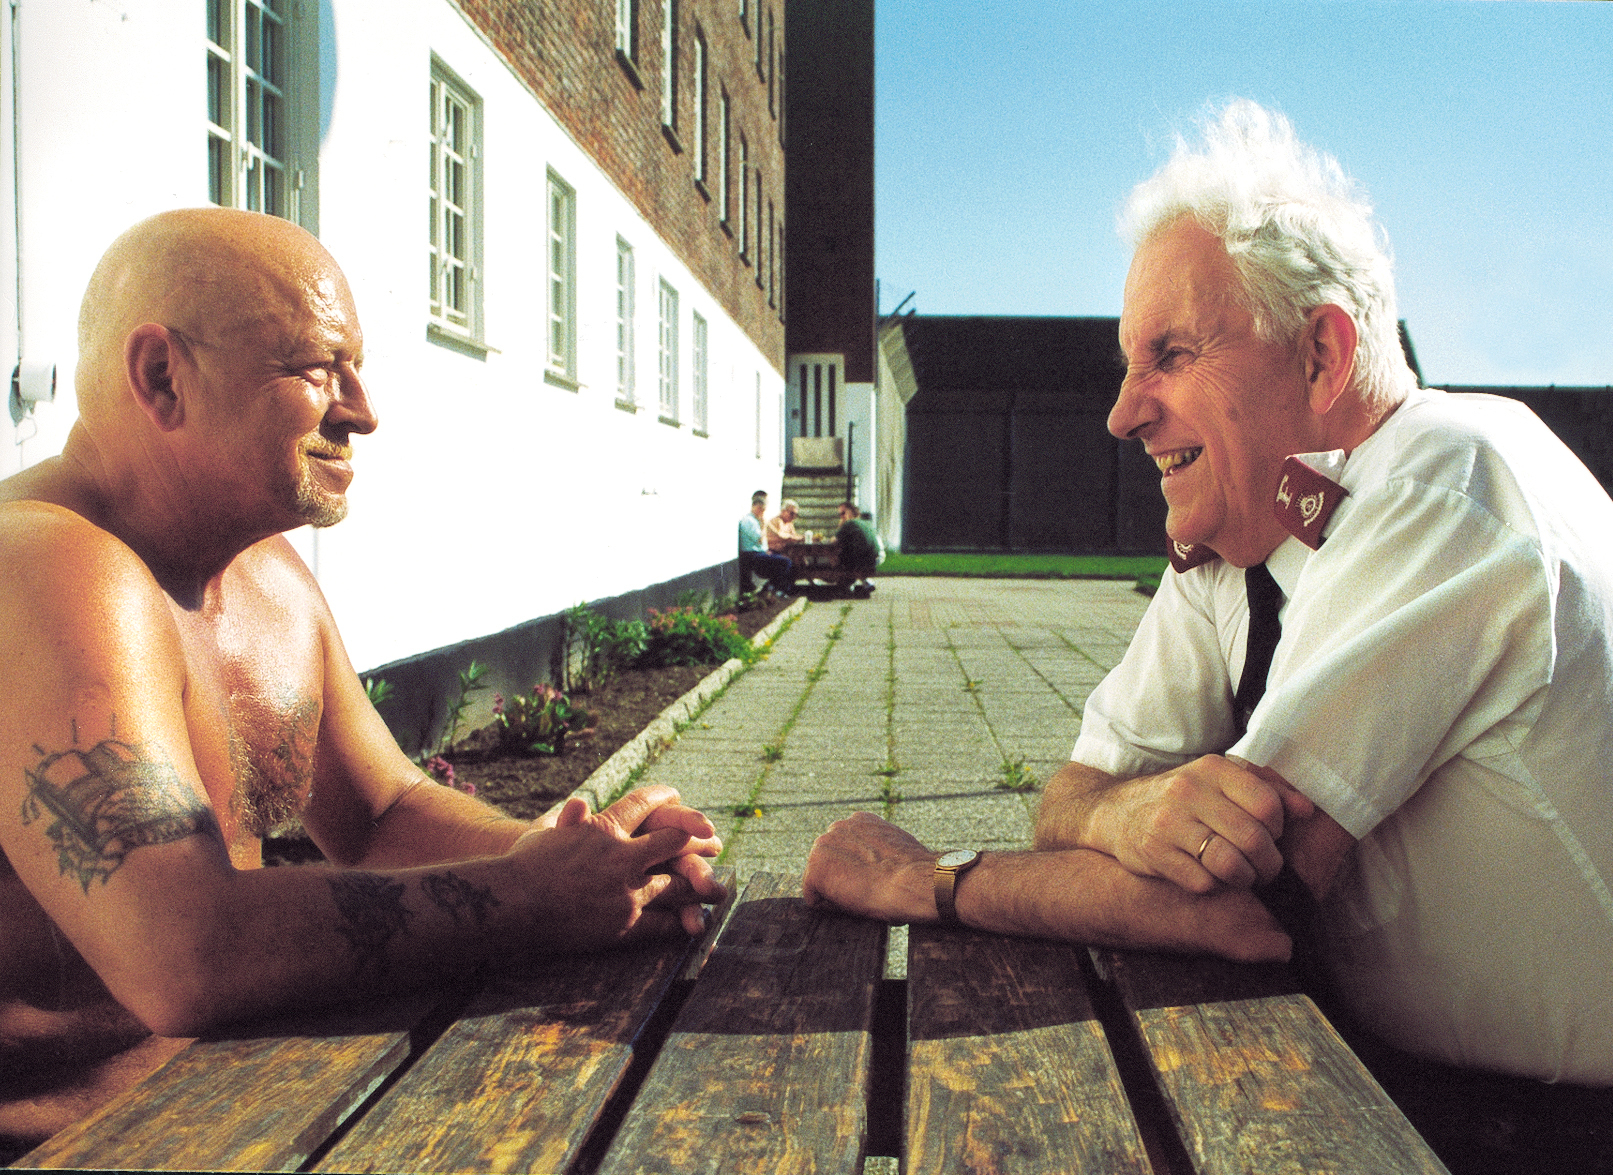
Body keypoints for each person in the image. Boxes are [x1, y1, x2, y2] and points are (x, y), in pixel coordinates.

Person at [805, 99, 1613, 1121]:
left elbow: (1234, 910)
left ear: (1319, 355)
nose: (1120, 410)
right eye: (1125, 363)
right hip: (1380, 1067)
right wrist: (1123, 810)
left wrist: (927, 882)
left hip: (1538, 1127)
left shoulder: (1445, 484)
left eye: (1170, 356)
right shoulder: (1243, 535)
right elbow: (1069, 801)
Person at [0, 208, 725, 1156]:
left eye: (358, 367)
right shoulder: (44, 565)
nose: (361, 408)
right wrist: (532, 901)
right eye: (317, 367)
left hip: (228, 1102)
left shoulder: (264, 576)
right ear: (161, 376)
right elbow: (185, 952)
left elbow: (381, 813)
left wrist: (588, 866)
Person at [738, 490, 794, 597]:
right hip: (751, 555)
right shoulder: (748, 521)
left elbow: (763, 542)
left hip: (760, 553)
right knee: (785, 562)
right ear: (758, 508)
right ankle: (777, 589)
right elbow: (759, 539)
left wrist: (766, 549)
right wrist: (763, 526)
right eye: (763, 510)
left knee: (785, 560)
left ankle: (772, 587)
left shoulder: (755, 520)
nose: (764, 513)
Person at [832, 502, 881, 595]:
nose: (841, 517)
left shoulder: (850, 523)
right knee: (846, 553)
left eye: (843, 513)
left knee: (836, 557)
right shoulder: (864, 522)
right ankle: (865, 582)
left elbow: (833, 541)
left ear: (851, 512)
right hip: (874, 559)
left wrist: (841, 525)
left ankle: (844, 584)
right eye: (839, 514)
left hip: (862, 561)